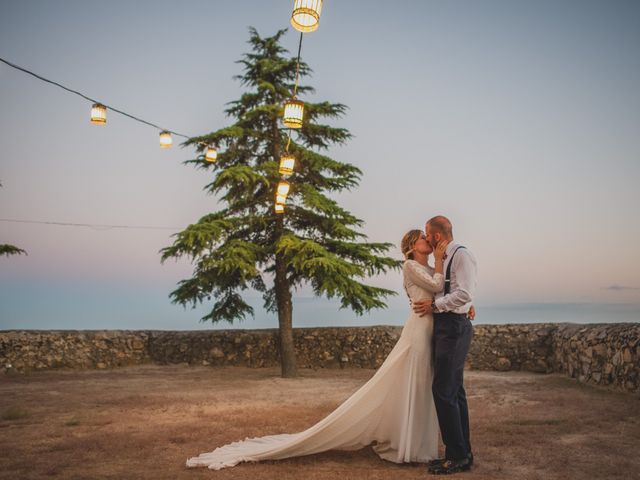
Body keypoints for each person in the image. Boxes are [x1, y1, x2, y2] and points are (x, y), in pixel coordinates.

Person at [185, 229, 449, 470]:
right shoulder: (410, 265)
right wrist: (439, 260)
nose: (428, 240)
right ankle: (409, 446)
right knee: (415, 382)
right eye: (423, 238)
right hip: (418, 330)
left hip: (430, 328)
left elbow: (440, 291)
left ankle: (415, 442)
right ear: (412, 245)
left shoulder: (425, 266)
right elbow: (437, 286)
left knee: (423, 384)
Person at [412, 215, 477, 475]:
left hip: (453, 328)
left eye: (427, 234)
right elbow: (451, 290)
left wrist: (436, 306)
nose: (426, 238)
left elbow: (465, 293)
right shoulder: (444, 259)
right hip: (444, 326)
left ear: (437, 236)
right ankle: (462, 452)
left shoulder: (461, 255)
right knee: (454, 391)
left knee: (443, 390)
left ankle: (457, 455)